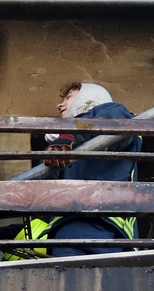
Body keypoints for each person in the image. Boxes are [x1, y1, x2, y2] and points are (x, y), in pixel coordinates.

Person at [37, 82, 141, 256]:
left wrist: (72, 134)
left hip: (107, 229)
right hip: (67, 232)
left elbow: (112, 123)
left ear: (89, 96)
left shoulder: (112, 110)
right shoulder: (66, 146)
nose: (60, 105)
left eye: (69, 97)